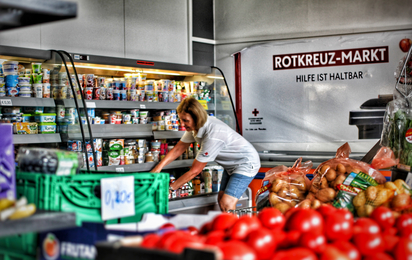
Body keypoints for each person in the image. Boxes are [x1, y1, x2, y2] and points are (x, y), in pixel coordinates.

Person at [151, 97, 260, 212]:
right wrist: (157, 169)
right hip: (231, 165)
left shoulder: (213, 134)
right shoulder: (196, 127)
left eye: (185, 120)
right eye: (180, 120)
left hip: (246, 163)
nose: (182, 124)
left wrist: (170, 189)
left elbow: (195, 171)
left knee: (227, 203)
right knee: (221, 200)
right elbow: (178, 149)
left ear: (196, 118)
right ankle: (227, 227)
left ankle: (235, 229)